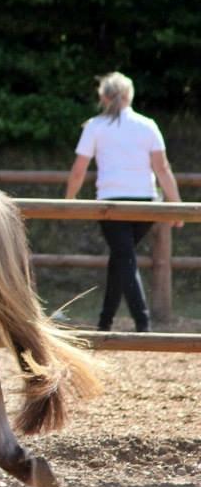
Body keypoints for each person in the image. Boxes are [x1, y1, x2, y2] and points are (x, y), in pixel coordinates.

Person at [65, 71, 182, 332]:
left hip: (111, 204)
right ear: (130, 95)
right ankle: (105, 322)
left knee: (124, 257)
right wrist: (176, 205)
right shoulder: (148, 125)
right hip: (146, 203)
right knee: (121, 258)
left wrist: (69, 201)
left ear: (103, 97)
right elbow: (162, 168)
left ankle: (143, 324)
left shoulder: (95, 126)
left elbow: (78, 169)